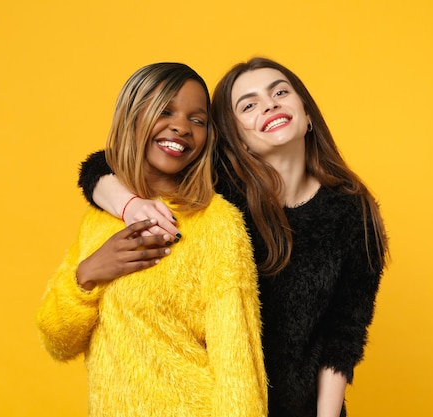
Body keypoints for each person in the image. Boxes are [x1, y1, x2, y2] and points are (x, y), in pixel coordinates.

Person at [78, 57, 389, 417]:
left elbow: (344, 334)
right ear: (236, 139)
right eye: (249, 104)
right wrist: (130, 205)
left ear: (306, 115)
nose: (269, 104)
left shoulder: (353, 211)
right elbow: (101, 166)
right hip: (214, 405)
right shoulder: (217, 192)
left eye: (280, 92)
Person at [36, 62, 267, 417]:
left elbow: (238, 359)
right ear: (132, 117)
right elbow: (57, 342)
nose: (181, 127)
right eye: (165, 110)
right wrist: (89, 273)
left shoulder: (217, 222)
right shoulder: (98, 219)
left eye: (198, 120)